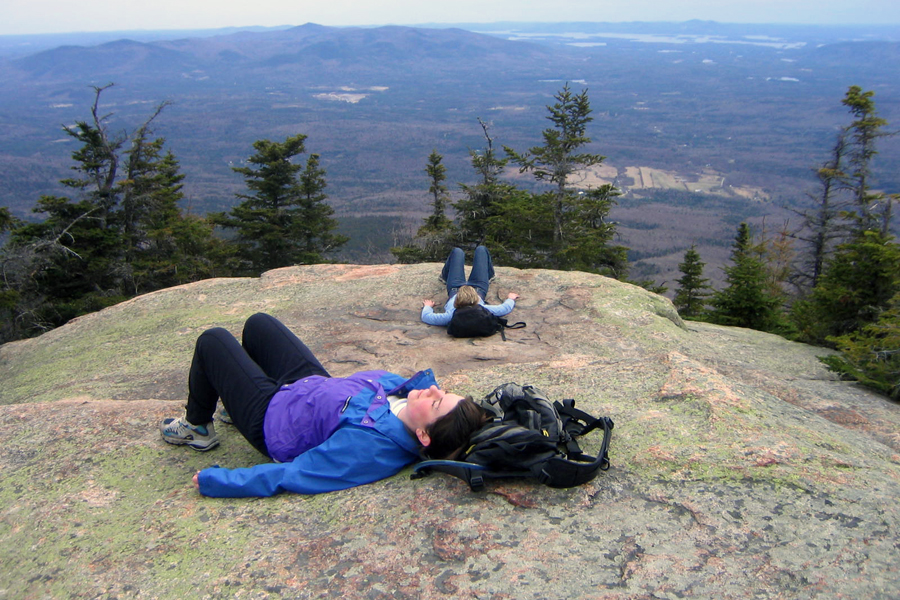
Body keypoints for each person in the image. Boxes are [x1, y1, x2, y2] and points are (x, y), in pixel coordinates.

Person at [160, 313, 487, 498]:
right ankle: (234, 404)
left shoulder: (371, 447)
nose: (431, 389)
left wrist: (219, 482)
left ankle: (198, 428)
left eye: (436, 403)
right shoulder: (407, 395)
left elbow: (295, 474)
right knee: (258, 325)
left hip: (273, 420)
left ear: (424, 436)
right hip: (311, 387)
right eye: (442, 391)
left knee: (212, 341)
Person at [421, 246, 519, 327]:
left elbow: (427, 317)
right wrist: (511, 298)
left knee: (457, 251)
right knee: (481, 250)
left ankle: (445, 277)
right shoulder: (482, 309)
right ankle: (490, 275)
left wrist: (428, 306)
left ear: (457, 301)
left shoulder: (451, 315)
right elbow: (504, 309)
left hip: (456, 289)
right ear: (476, 300)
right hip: (478, 288)